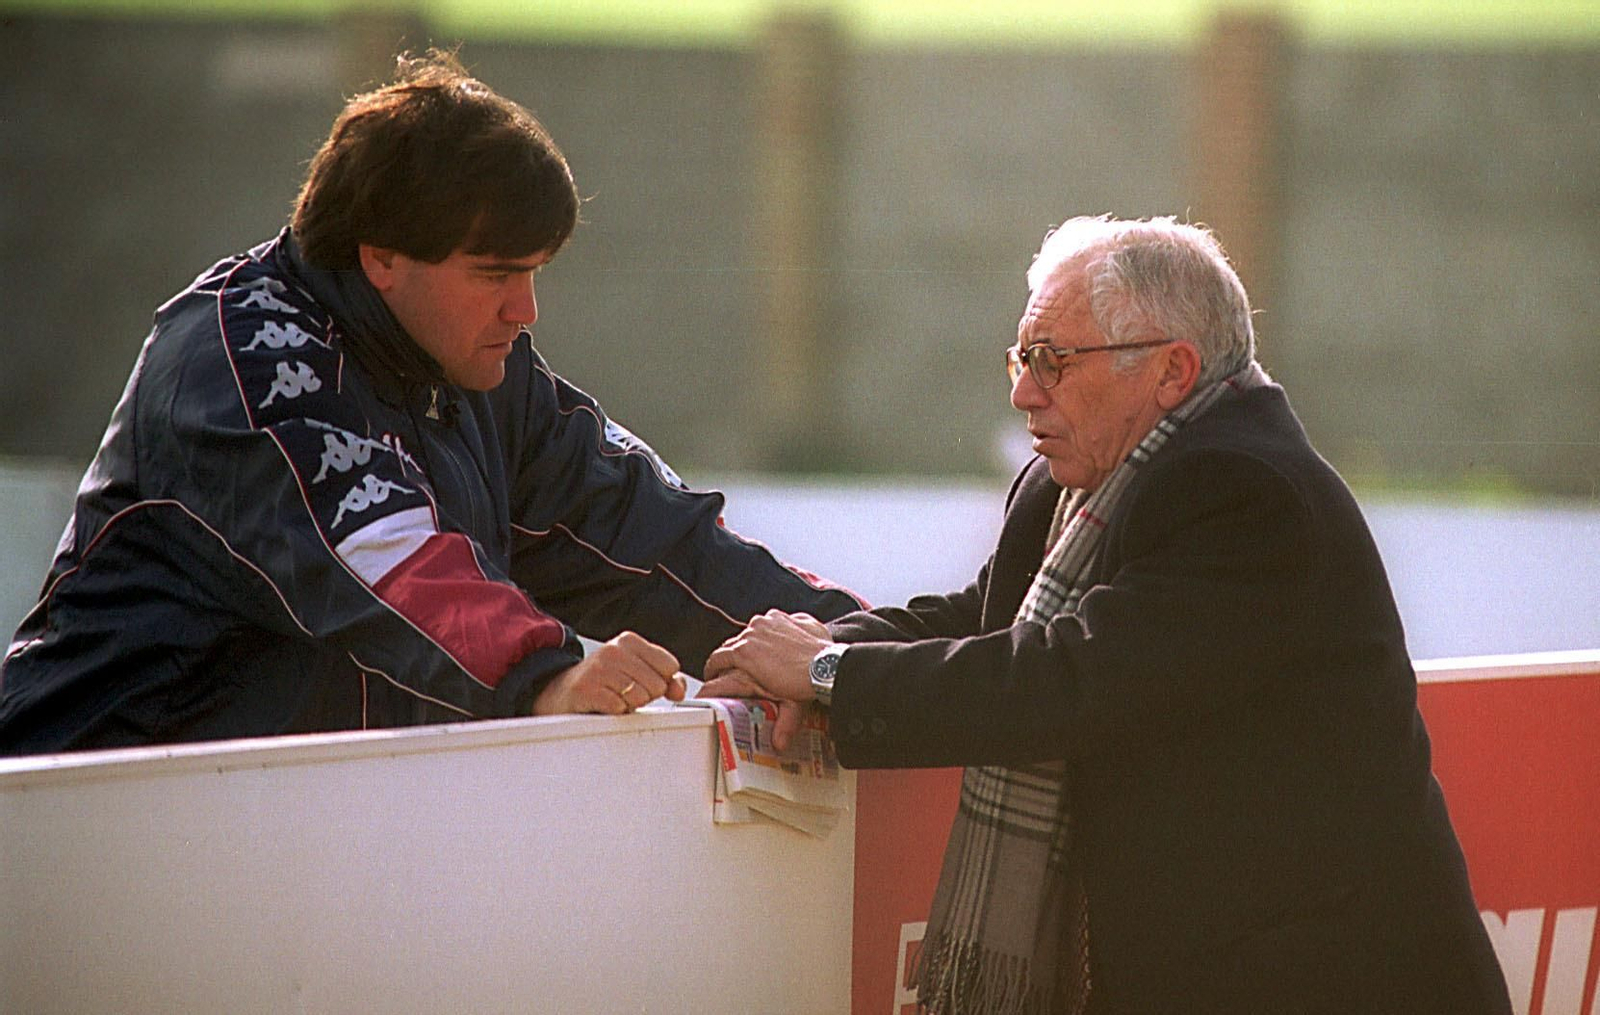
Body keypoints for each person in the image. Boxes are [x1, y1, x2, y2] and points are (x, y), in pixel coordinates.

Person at [702, 216, 1511, 1014]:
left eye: (1052, 360)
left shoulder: (1248, 490)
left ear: (1171, 370)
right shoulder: (1072, 481)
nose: (1023, 391)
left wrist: (828, 672)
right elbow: (986, 620)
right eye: (1021, 357)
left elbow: (1068, 675)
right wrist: (816, 648)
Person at [0, 50, 861, 756]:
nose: (524, 311)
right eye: (495, 275)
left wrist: (855, 649)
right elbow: (391, 558)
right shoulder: (236, 358)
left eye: (534, 273)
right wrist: (546, 677)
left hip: (265, 857)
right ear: (381, 257)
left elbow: (654, 537)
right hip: (69, 837)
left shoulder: (480, 367)